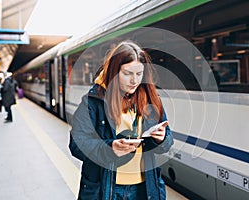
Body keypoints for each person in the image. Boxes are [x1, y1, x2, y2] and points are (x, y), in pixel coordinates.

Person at [69, 40, 174, 200]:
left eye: (139, 74)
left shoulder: (151, 99)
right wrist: (109, 148)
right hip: (106, 190)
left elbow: (167, 143)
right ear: (114, 72)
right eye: (127, 74)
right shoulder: (93, 101)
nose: (134, 81)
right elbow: (76, 144)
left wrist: (161, 139)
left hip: (144, 189)